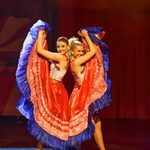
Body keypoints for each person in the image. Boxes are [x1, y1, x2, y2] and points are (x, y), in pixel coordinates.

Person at [16, 20, 71, 150]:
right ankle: (39, 148)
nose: (60, 49)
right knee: (44, 121)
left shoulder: (61, 57)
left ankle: (47, 147)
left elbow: (40, 51)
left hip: (56, 92)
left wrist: (40, 33)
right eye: (58, 46)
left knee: (49, 121)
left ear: (68, 47)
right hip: (51, 89)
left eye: (63, 46)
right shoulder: (59, 57)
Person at [68, 28, 111, 150]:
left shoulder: (77, 60)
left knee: (95, 121)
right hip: (81, 97)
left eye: (82, 51)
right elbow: (92, 52)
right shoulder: (76, 62)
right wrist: (87, 36)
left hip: (83, 94)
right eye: (79, 51)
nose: (81, 53)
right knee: (79, 125)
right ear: (72, 51)